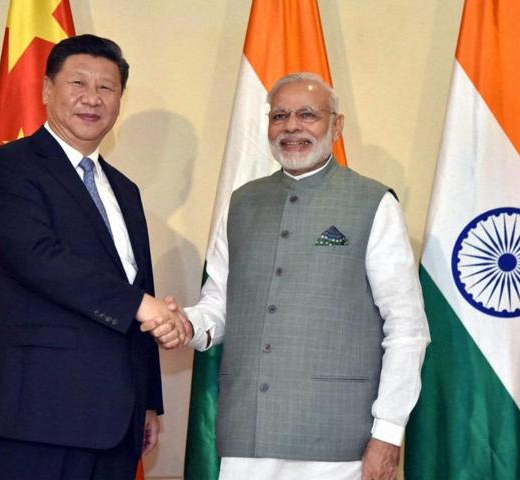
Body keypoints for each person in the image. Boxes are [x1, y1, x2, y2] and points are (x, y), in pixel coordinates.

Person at [143, 72, 431, 480]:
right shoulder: (242, 203)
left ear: (337, 125)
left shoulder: (373, 202)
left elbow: (407, 327)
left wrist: (388, 433)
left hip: (338, 441)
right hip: (249, 437)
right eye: (279, 116)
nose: (292, 126)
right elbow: (220, 303)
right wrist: (186, 325)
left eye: (307, 114)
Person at [0, 34, 186, 480]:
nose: (92, 99)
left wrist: (147, 400)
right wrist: (141, 306)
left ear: (120, 100)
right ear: (48, 90)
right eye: (78, 84)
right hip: (40, 412)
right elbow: (40, 259)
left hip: (117, 420)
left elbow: (138, 284)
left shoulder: (125, 190)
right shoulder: (10, 167)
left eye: (106, 88)